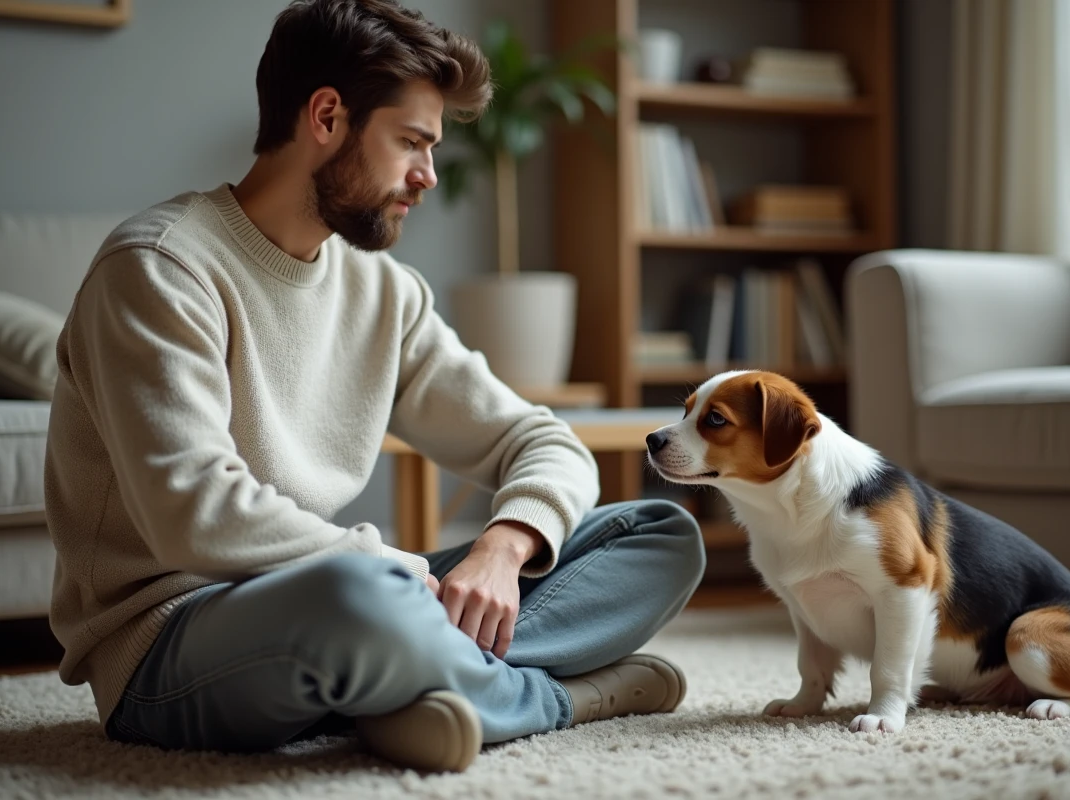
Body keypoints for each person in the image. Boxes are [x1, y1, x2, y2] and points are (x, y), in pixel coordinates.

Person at [43, 0, 705, 774]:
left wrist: (504, 544)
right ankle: (562, 697)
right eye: (412, 142)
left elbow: (541, 439)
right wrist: (389, 572)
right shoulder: (160, 269)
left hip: (333, 608)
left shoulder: (384, 294)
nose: (427, 175)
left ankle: (409, 692)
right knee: (364, 598)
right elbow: (193, 515)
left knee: (659, 534)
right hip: (166, 640)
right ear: (326, 116)